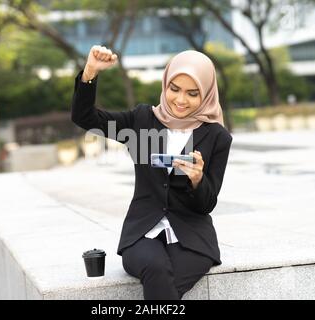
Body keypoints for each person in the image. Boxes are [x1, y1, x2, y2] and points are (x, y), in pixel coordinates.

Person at [71, 45, 233, 300]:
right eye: (174, 89)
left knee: (166, 280)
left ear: (207, 94)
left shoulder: (217, 137)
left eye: (192, 93)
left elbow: (207, 204)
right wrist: (90, 71)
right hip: (141, 234)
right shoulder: (143, 120)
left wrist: (198, 179)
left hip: (192, 238)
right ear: (165, 84)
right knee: (156, 267)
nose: (180, 100)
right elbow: (86, 118)